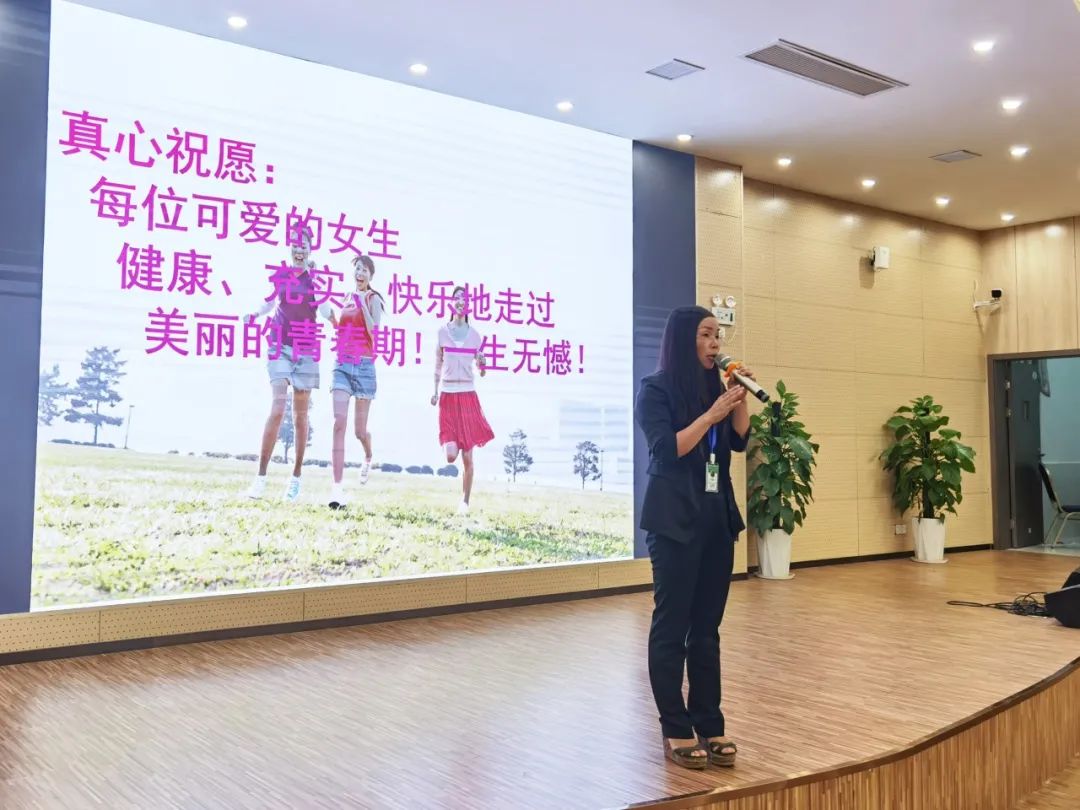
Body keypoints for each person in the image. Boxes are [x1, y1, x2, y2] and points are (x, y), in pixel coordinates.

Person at [634, 305, 755, 770]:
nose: (716, 343)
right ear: (685, 338)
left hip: (714, 519)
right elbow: (667, 450)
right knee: (672, 627)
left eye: (718, 335)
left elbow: (739, 441)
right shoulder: (655, 389)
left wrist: (738, 398)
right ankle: (675, 727)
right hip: (673, 522)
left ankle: (709, 720)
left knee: (706, 630)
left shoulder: (716, 388)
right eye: (706, 334)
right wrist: (711, 414)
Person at [243, 226, 333, 502]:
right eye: (295, 244)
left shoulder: (316, 280)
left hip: (306, 349)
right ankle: (260, 478)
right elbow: (269, 303)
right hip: (279, 346)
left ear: (310, 249)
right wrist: (254, 314)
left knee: (300, 417)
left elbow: (326, 310)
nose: (299, 249)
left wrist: (338, 321)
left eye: (304, 245)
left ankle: (295, 479)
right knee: (278, 408)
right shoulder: (282, 275)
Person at [430, 286, 494, 515]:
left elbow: (482, 371)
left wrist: (483, 364)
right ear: (451, 303)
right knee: (450, 456)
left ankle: (464, 502)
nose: (460, 302)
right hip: (447, 397)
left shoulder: (475, 336)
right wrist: (435, 391)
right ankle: (463, 498)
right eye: (456, 298)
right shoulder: (442, 333)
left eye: (464, 299)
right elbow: (437, 365)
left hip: (467, 397)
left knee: (468, 455)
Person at [328, 254, 385, 509]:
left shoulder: (374, 299)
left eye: (364, 270)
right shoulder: (346, 297)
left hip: (364, 367)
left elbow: (374, 331)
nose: (360, 274)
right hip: (342, 364)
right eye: (357, 269)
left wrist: (362, 304)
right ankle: (336, 488)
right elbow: (343, 330)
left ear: (370, 276)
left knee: (359, 431)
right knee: (338, 423)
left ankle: (368, 455)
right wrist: (333, 320)